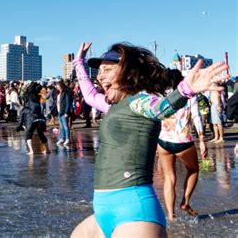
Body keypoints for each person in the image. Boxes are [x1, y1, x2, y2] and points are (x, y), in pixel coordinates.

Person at [71, 42, 228, 238]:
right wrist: (79, 63)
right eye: (99, 70)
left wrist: (186, 89)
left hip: (134, 214)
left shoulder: (140, 101)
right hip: (104, 211)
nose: (100, 76)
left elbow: (162, 107)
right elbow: (89, 94)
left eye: (107, 70)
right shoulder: (114, 106)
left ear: (128, 73)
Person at [157, 69, 207, 221]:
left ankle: (171, 216)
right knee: (193, 169)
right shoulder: (189, 94)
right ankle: (185, 202)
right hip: (182, 141)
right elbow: (197, 117)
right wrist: (202, 140)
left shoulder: (160, 95)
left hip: (163, 141)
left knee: (169, 178)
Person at [16, 82, 49, 155]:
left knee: (28, 134)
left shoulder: (25, 107)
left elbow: (20, 121)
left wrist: (18, 128)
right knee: (41, 134)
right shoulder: (37, 99)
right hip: (40, 119)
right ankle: (46, 149)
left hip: (31, 121)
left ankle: (31, 151)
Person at [55, 79, 71, 146]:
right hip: (59, 112)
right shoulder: (59, 93)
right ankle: (62, 138)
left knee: (65, 126)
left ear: (61, 86)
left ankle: (67, 139)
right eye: (57, 86)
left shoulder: (65, 93)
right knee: (61, 127)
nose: (57, 87)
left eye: (58, 86)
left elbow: (67, 103)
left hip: (64, 112)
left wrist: (66, 112)